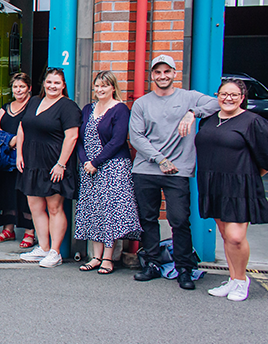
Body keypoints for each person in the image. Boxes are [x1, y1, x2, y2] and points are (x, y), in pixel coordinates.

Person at [130, 54, 219, 290]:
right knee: (147, 219)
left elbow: (217, 103)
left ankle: (184, 269)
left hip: (177, 171)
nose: (162, 76)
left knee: (179, 220)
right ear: (152, 75)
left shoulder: (189, 97)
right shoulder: (142, 103)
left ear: (174, 73)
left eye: (166, 71)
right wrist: (160, 159)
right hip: (146, 169)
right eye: (157, 72)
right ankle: (152, 264)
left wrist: (193, 113)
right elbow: (136, 137)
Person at [196, 79, 268, 301]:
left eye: (234, 95)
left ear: (242, 98)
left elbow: (265, 159)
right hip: (213, 184)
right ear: (217, 96)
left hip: (238, 187)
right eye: (224, 94)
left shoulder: (252, 121)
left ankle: (241, 280)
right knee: (226, 236)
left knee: (236, 237)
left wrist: (247, 177)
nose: (228, 98)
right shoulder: (208, 120)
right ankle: (233, 279)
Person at [74, 71, 141, 275]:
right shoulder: (87, 109)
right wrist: (86, 161)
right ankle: (95, 256)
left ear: (113, 88)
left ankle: (108, 258)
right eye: (97, 86)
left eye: (105, 85)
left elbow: (118, 140)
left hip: (113, 167)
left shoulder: (120, 109)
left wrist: (96, 161)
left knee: (109, 211)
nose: (100, 89)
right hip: (89, 168)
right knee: (94, 209)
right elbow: (79, 139)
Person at [16, 68, 81, 268]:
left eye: (56, 83)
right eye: (49, 82)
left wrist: (61, 164)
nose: (52, 86)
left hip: (54, 164)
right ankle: (43, 248)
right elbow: (22, 127)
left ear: (63, 86)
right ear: (44, 83)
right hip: (31, 162)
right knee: (35, 207)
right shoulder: (34, 101)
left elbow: (72, 137)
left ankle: (55, 252)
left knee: (54, 208)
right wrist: (19, 154)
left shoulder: (68, 107)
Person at [0, 73, 36, 247]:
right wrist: (10, 140)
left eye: (22, 87)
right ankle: (7, 229)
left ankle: (29, 232)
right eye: (16, 87)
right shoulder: (5, 107)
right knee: (7, 193)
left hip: (26, 157)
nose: (18, 90)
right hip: (7, 159)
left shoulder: (33, 106)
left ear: (29, 88)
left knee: (25, 195)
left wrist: (20, 140)